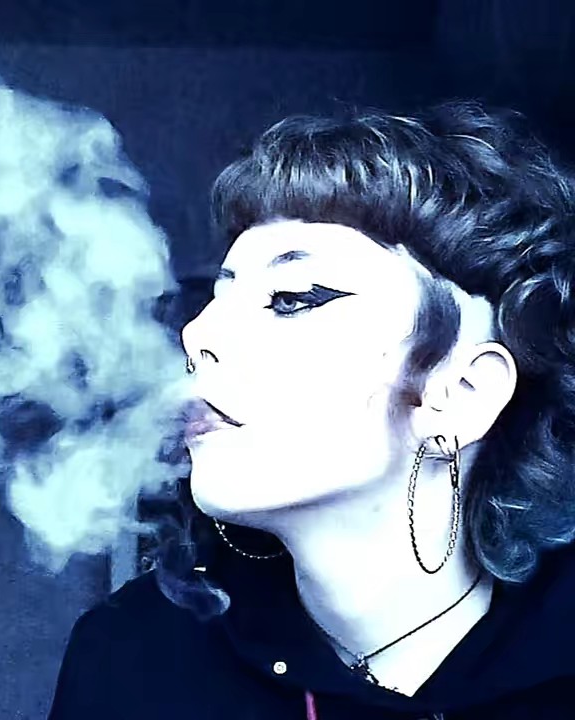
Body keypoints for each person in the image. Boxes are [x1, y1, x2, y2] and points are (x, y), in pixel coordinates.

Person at [47, 101, 575, 719]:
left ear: (461, 395)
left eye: (291, 298)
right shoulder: (130, 658)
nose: (198, 334)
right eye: (219, 295)